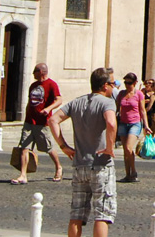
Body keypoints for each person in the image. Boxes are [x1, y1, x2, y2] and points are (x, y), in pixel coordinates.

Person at [49, 67, 118, 237]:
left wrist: (63, 146)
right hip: (101, 165)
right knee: (102, 215)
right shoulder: (107, 102)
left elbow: (53, 119)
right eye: (112, 84)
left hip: (80, 165)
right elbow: (111, 123)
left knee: (77, 215)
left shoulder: (76, 102)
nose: (113, 87)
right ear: (104, 86)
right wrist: (110, 147)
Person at [12, 62, 64, 185]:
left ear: (41, 71)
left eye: (35, 71)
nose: (33, 74)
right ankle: (23, 175)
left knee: (48, 148)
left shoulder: (51, 84)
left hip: (42, 123)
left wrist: (48, 109)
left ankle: (58, 167)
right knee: (24, 148)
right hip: (30, 122)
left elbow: (59, 100)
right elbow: (30, 102)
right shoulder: (33, 85)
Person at [116, 72, 150, 183]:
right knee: (126, 151)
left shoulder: (139, 94)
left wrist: (146, 125)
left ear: (135, 83)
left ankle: (134, 171)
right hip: (122, 123)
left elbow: (142, 110)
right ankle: (127, 174)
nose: (127, 85)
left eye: (129, 83)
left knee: (128, 147)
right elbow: (116, 109)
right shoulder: (121, 94)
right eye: (125, 82)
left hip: (135, 123)